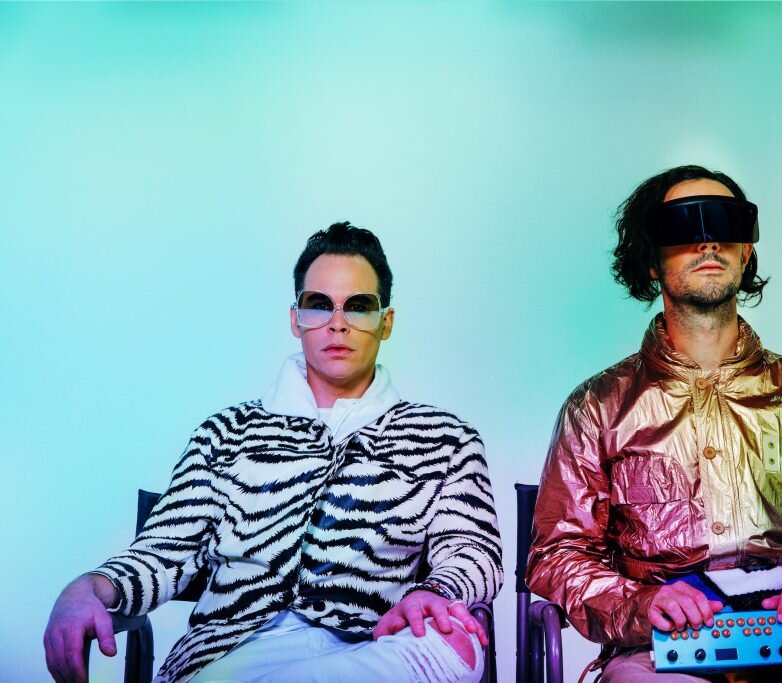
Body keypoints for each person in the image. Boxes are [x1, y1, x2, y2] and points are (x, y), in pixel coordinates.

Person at [44, 222, 503, 683]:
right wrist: (86, 589)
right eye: (318, 304)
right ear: (295, 319)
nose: (337, 323)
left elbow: (473, 552)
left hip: (372, 652)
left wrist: (434, 591)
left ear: (386, 322)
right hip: (233, 654)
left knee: (454, 643)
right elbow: (162, 554)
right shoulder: (225, 433)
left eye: (358, 306)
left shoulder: (446, 439)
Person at [525, 166, 782, 682]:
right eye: (683, 226)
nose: (708, 241)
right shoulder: (597, 408)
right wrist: (640, 603)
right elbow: (559, 554)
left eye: (725, 223)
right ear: (651, 259)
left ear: (747, 251)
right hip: (660, 654)